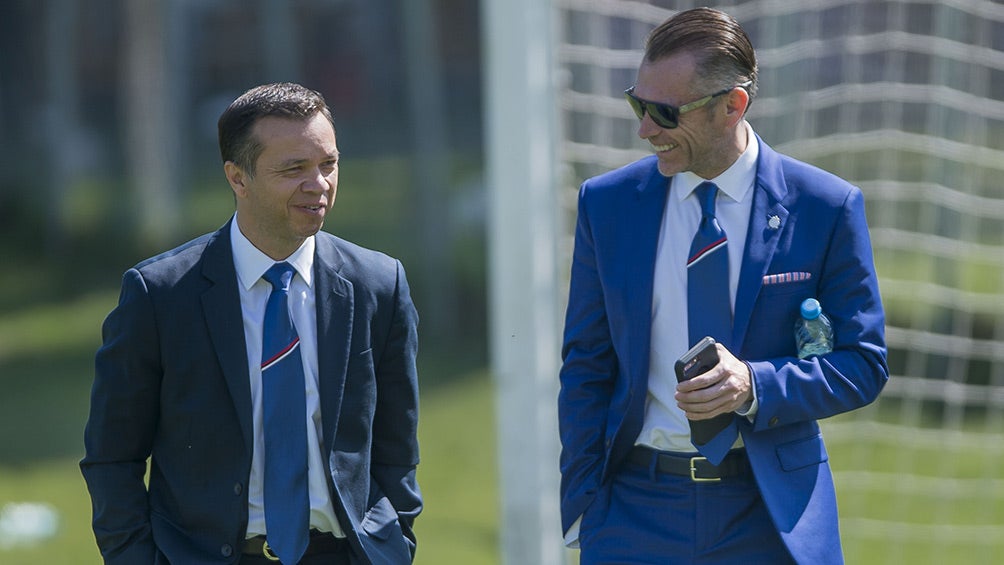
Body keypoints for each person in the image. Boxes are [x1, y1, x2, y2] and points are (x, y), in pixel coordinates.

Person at [557, 8, 888, 565]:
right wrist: (585, 502)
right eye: (638, 103)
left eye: (663, 111)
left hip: (769, 515)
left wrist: (754, 384)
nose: (644, 129)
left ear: (732, 105)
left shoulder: (826, 207)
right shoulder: (606, 204)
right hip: (634, 512)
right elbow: (587, 362)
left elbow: (864, 363)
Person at [81, 82, 421, 564]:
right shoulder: (159, 295)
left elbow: (396, 448)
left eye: (329, 163)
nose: (319, 183)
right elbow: (112, 456)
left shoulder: (378, 285)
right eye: (293, 169)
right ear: (237, 178)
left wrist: (394, 545)